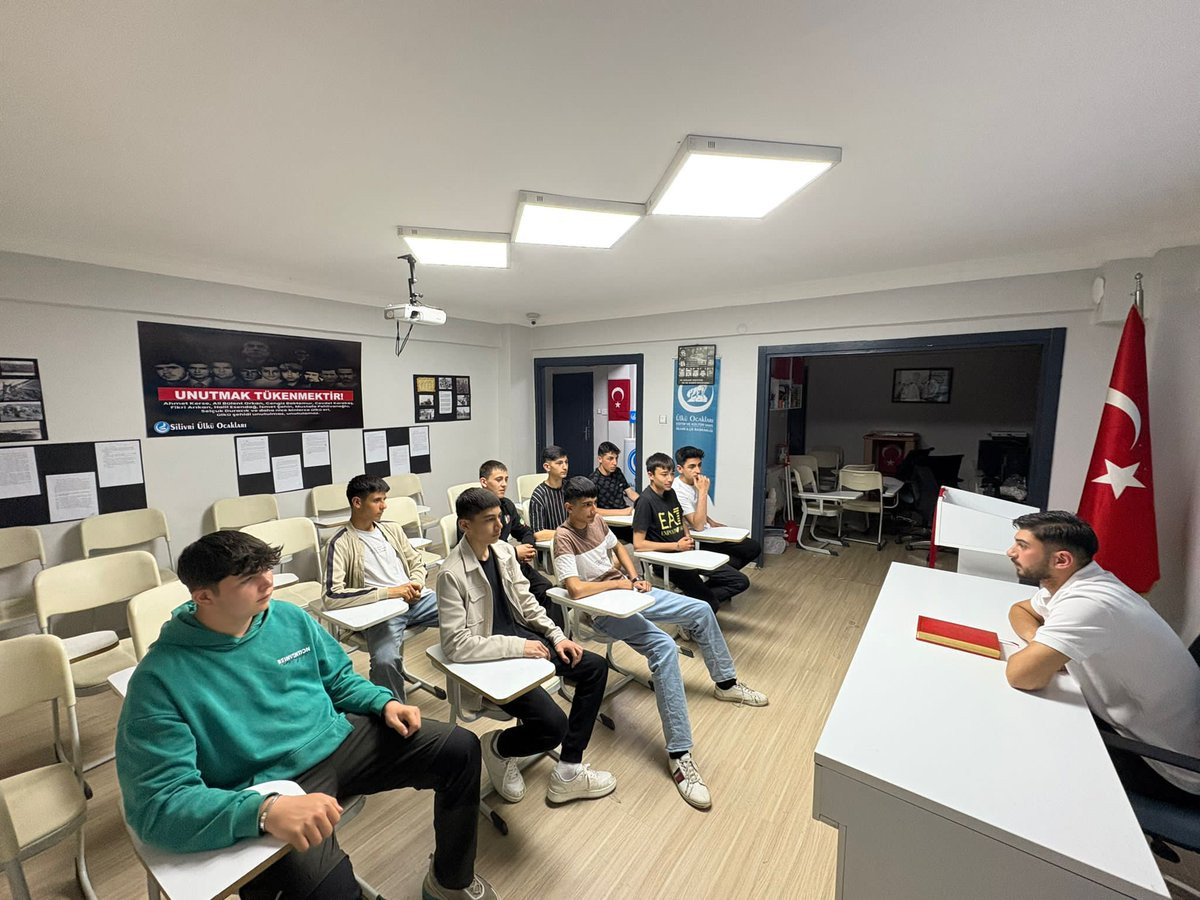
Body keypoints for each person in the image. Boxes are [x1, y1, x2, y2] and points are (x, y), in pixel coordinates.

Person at [116, 530, 496, 900]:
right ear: (204, 596)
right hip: (267, 784)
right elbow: (158, 805)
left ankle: (449, 881)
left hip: (337, 738)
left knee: (460, 748)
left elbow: (339, 679)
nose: (268, 582)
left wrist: (383, 702)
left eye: (267, 568)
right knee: (327, 889)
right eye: (249, 579)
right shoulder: (159, 680)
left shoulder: (287, 617)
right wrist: (262, 812)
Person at [554, 476, 767, 810]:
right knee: (664, 647)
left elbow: (618, 548)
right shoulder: (563, 538)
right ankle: (680, 755)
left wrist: (634, 577)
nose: (593, 511)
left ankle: (726, 684)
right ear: (569, 507)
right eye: (586, 506)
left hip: (627, 591)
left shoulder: (596, 522)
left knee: (700, 609)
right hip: (603, 611)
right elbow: (576, 589)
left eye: (595, 504)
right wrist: (617, 586)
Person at [438, 488, 617, 806]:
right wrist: (520, 646)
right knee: (553, 727)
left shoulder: (504, 552)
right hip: (492, 661)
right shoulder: (451, 573)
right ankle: (498, 747)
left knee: (594, 668)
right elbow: (456, 645)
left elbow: (529, 604)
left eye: (500, 518)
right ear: (465, 525)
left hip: (525, 643)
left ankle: (569, 770)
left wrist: (557, 636)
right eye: (489, 520)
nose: (499, 526)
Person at [1004, 511, 1200, 801]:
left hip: (1163, 765)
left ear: (1061, 560)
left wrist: (1043, 654)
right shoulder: (1075, 581)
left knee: (1026, 751)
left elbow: (1022, 676)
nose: (1011, 552)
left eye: (1022, 546)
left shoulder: (1089, 603)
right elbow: (1020, 610)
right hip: (1133, 728)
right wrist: (1040, 642)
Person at [320, 475, 439, 702]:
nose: (384, 506)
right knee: (385, 661)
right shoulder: (340, 542)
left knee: (469, 612)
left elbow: (417, 562)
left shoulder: (391, 529)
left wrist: (416, 583)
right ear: (357, 502)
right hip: (382, 613)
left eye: (384, 499)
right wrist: (391, 593)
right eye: (377, 500)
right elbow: (331, 595)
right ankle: (393, 712)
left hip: (416, 600)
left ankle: (474, 693)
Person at [633, 453, 751, 611]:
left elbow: (680, 518)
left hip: (687, 554)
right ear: (650, 475)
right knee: (711, 605)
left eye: (671, 474)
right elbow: (638, 544)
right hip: (669, 563)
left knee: (740, 581)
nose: (670, 479)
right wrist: (676, 546)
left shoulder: (670, 493)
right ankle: (698, 604)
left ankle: (691, 603)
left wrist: (687, 535)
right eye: (664, 475)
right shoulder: (645, 501)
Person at [476, 459, 563, 628]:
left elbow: (525, 531)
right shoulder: (475, 512)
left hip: (512, 563)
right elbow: (477, 551)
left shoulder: (507, 506)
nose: (504, 484)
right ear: (484, 482)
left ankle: (559, 635)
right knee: (514, 604)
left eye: (506, 479)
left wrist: (528, 547)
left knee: (547, 589)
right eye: (498, 479)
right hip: (490, 569)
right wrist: (515, 552)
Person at [673, 446, 761, 569]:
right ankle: (720, 575)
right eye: (692, 467)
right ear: (680, 469)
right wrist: (703, 491)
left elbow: (694, 509)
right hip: (697, 538)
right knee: (733, 561)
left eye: (699, 465)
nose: (697, 470)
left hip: (707, 531)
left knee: (753, 547)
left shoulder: (695, 482)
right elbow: (698, 526)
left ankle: (725, 574)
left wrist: (712, 522)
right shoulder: (677, 490)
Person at [590, 441, 638, 542]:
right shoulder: (593, 480)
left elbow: (630, 493)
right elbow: (593, 510)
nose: (615, 463)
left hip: (625, 520)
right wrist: (622, 512)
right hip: (608, 524)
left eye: (616, 458)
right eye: (610, 458)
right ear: (600, 459)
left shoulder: (617, 472)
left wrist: (646, 503)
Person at [527, 444, 570, 540]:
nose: (565, 467)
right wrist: (568, 534)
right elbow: (538, 534)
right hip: (551, 544)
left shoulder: (570, 488)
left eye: (566, 462)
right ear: (547, 467)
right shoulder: (539, 495)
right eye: (559, 463)